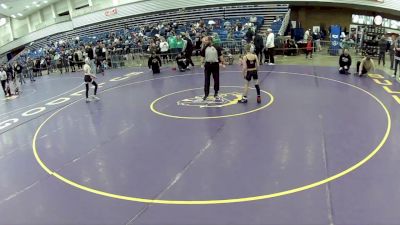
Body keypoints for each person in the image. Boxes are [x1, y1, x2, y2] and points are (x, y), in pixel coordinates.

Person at [200, 36, 225, 101]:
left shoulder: (217, 47)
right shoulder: (205, 48)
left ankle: (216, 93)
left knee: (216, 79)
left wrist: (223, 63)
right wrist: (202, 63)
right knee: (206, 79)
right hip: (207, 65)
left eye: (206, 40)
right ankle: (206, 94)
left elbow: (220, 56)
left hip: (215, 65)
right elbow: (202, 56)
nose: (205, 41)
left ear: (210, 41)